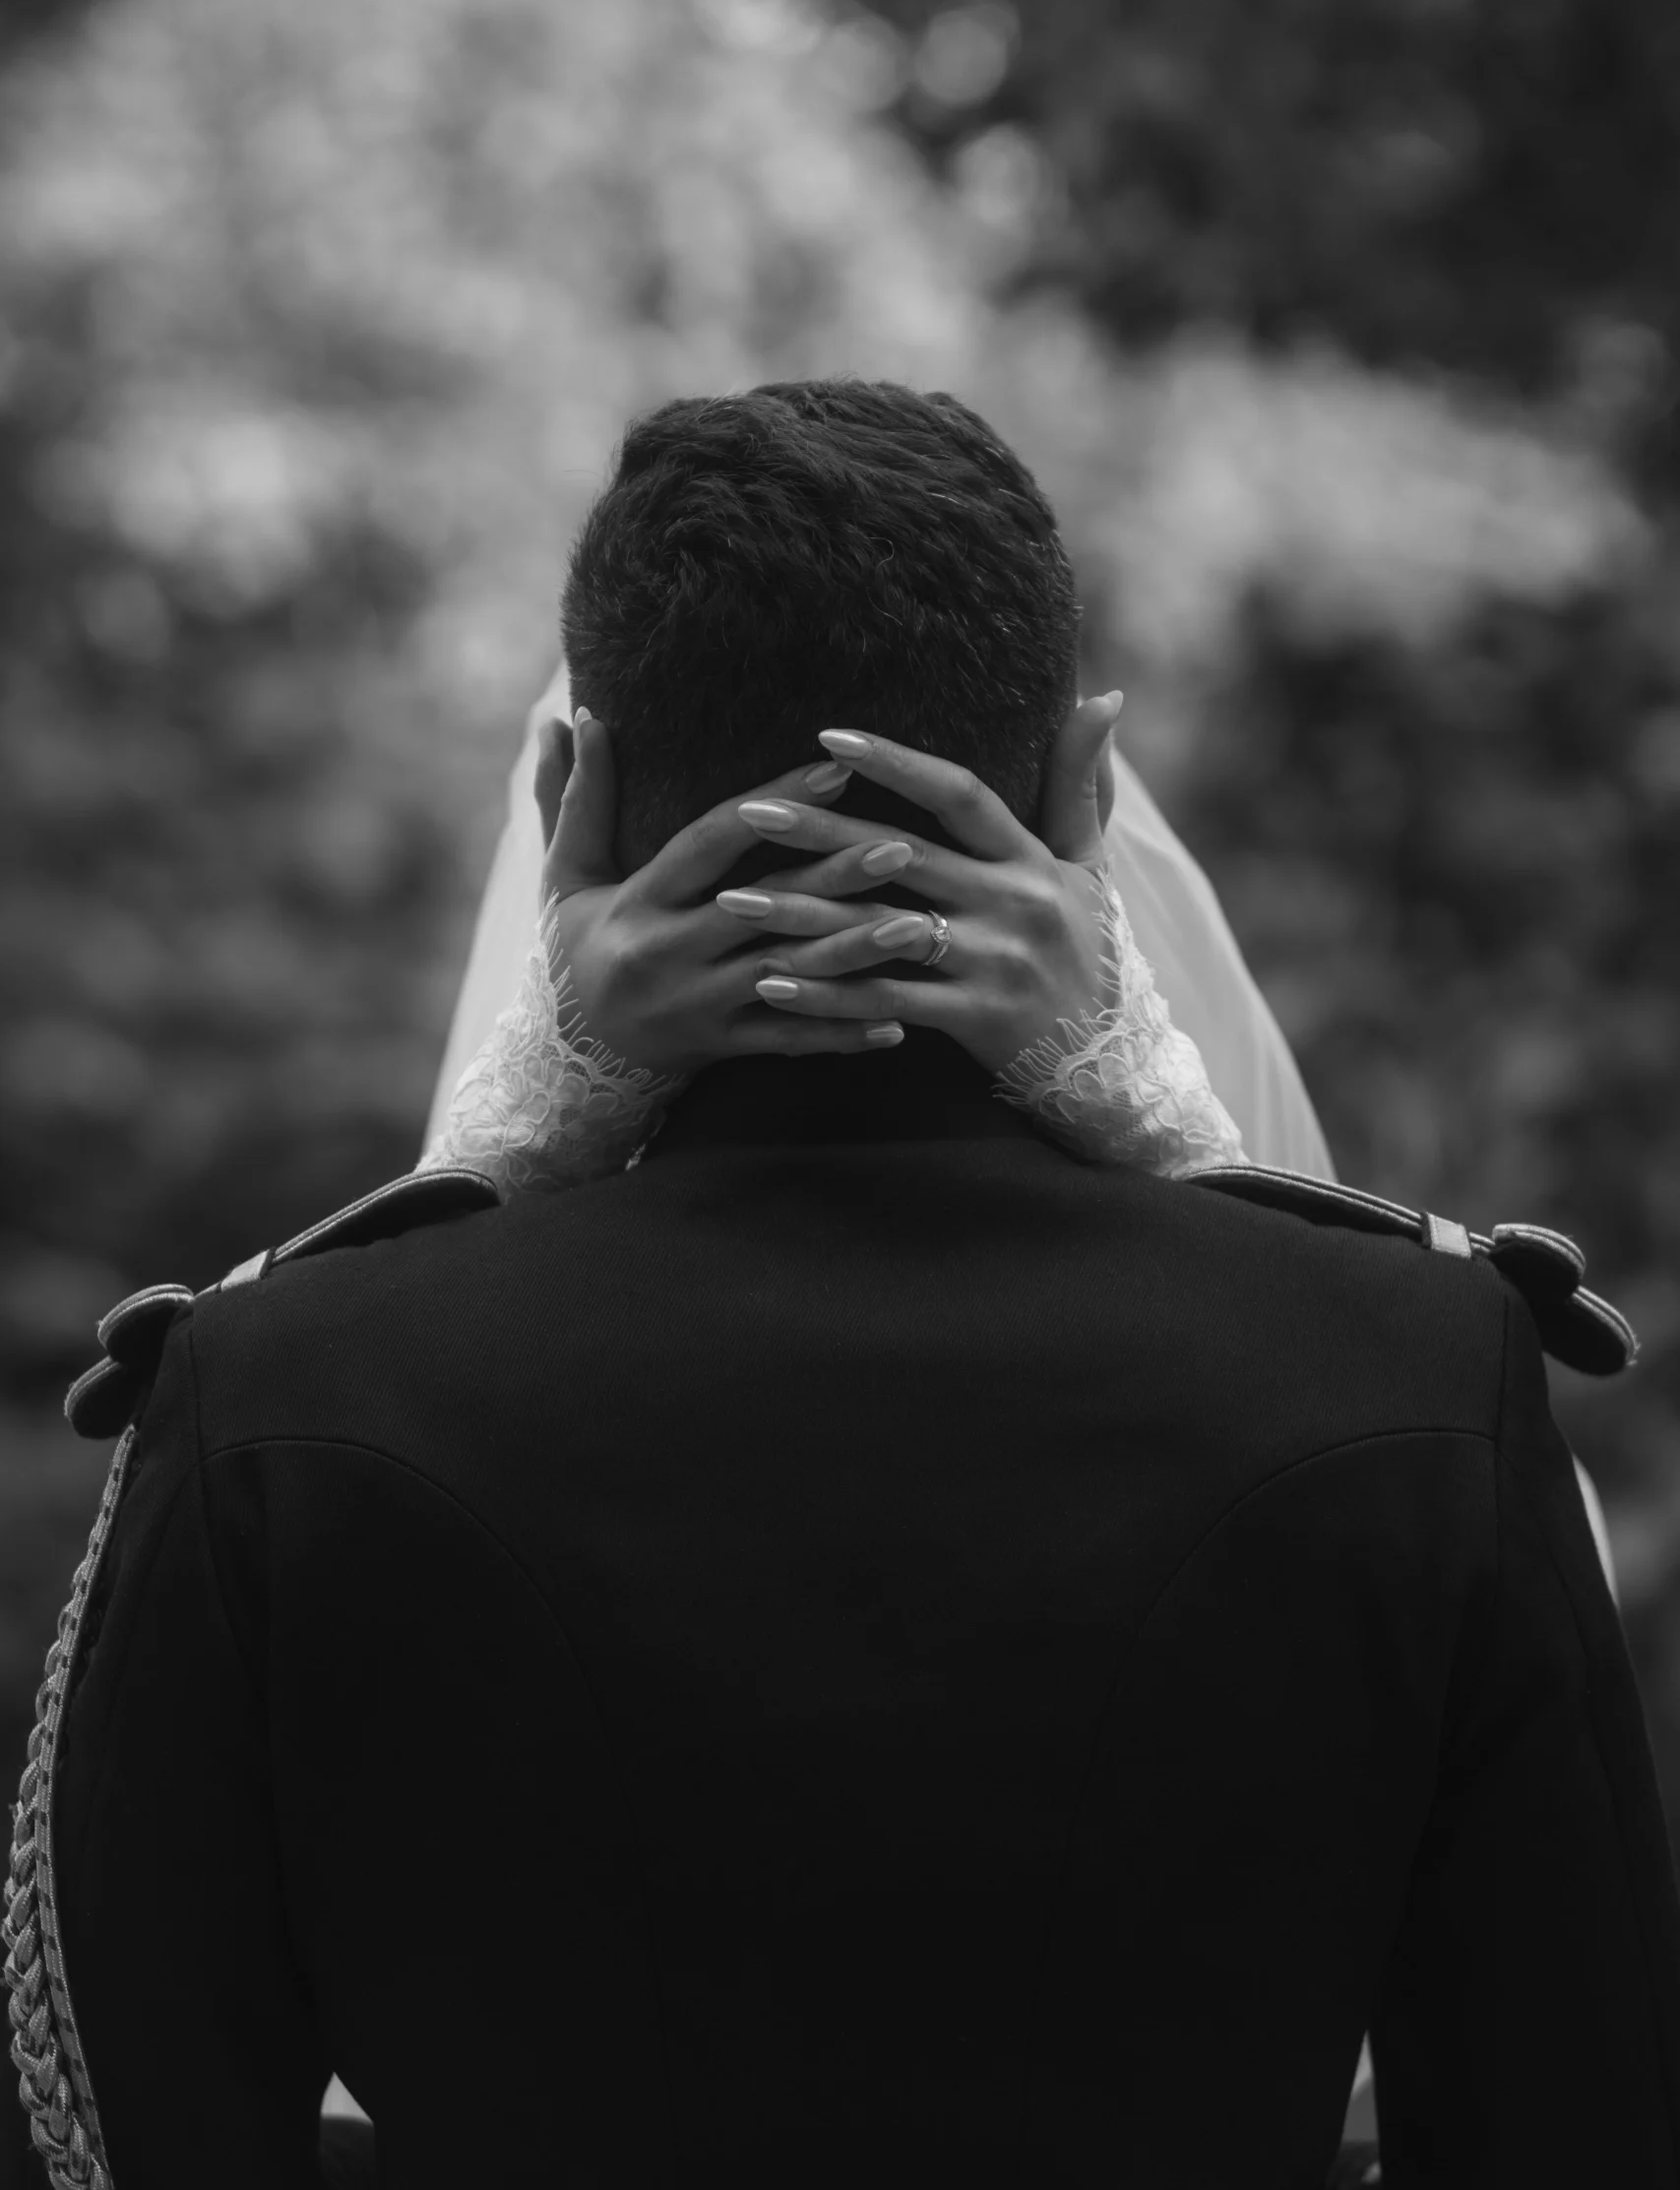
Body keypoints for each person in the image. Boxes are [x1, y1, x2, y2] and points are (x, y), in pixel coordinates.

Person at [9, 381, 1676, 2189]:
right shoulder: (1421, 1374)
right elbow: (1571, 2117)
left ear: (568, 788)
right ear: (1085, 785)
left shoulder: (270, 1394)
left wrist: (512, 1137)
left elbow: (114, 2131)